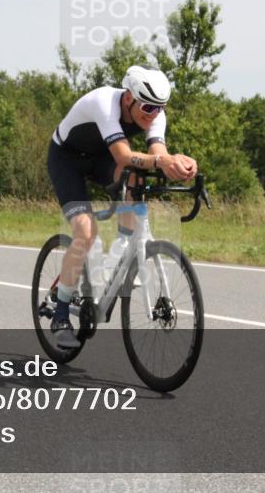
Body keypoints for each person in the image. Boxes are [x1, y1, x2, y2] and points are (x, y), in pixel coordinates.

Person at [47, 66, 198, 348]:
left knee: (137, 179)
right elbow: (124, 154)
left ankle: (124, 249)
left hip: (101, 159)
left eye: (159, 108)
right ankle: (61, 313)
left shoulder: (154, 114)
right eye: (148, 107)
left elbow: (157, 154)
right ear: (129, 97)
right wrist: (162, 162)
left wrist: (178, 165)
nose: (152, 114)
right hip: (67, 159)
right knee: (85, 231)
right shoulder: (105, 103)